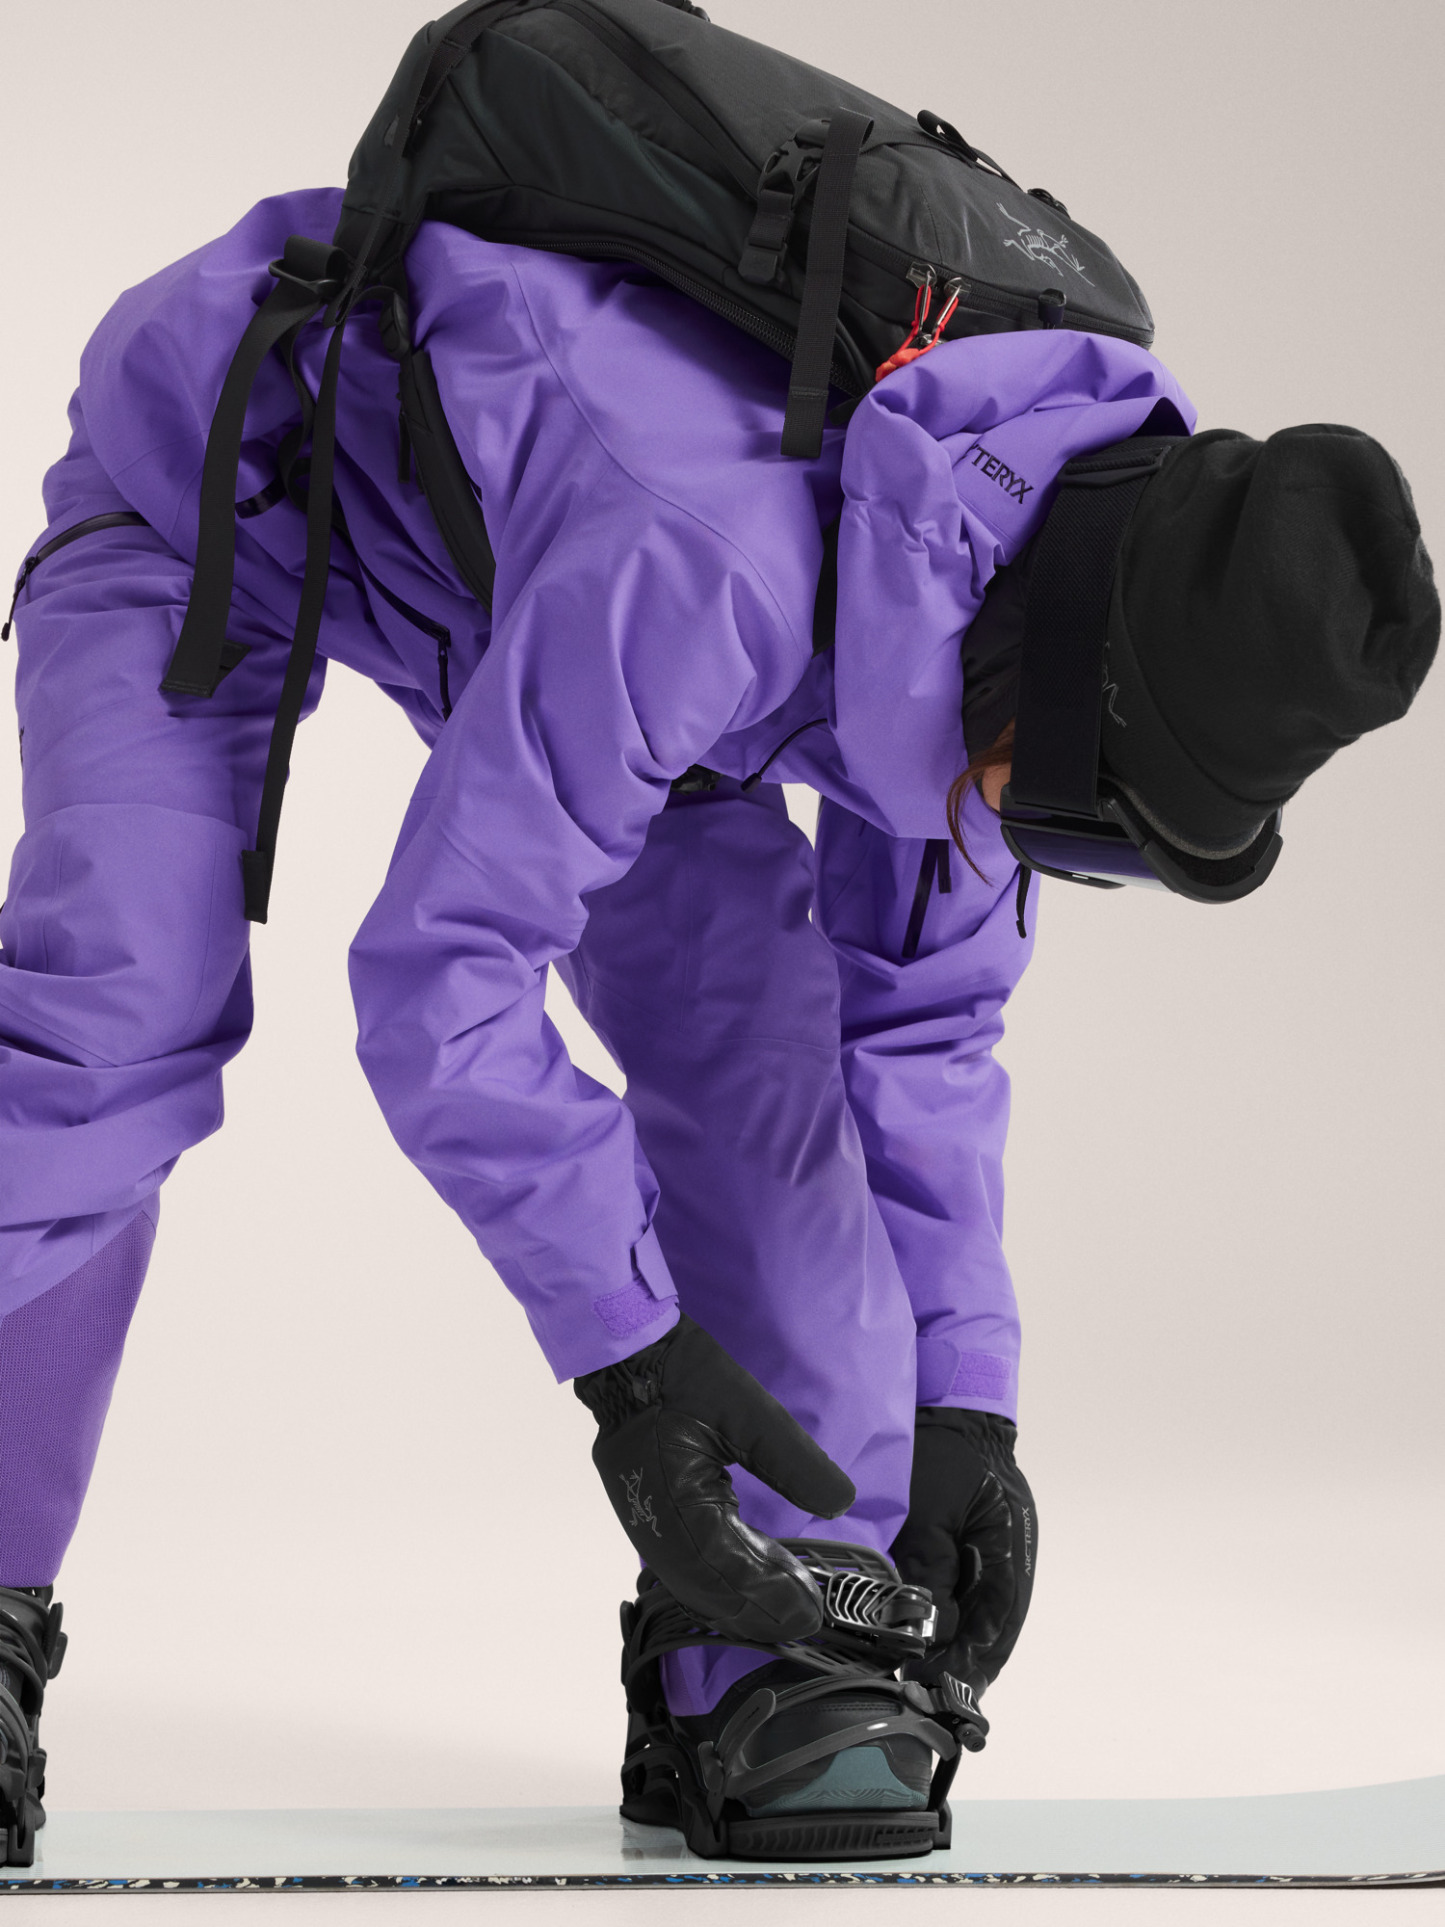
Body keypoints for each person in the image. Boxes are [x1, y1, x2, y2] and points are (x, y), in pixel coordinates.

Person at [0, 168, 1435, 1864]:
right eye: (1073, 816)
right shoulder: (718, 563)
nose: (1042, 845)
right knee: (119, 1009)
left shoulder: (1054, 619)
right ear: (1054, 681)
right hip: (230, 489)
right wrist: (632, 1368)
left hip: (567, 605)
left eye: (1099, 845)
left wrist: (965, 1407)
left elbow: (918, 1037)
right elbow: (444, 980)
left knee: (761, 1080)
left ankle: (767, 1645)